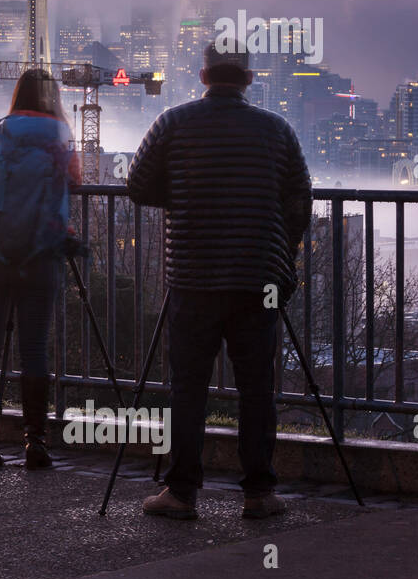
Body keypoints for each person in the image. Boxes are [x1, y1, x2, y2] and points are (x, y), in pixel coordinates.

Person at [128, 40, 312, 520]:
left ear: (204, 76)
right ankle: (259, 493)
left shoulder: (173, 122)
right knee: (257, 388)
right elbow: (299, 200)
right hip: (258, 276)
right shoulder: (277, 131)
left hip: (194, 276)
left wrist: (187, 194)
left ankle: (182, 492)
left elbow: (138, 185)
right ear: (248, 79)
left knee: (188, 387)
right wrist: (281, 248)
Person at [0, 68, 80, 471]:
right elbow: (76, 180)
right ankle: (36, 444)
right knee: (33, 350)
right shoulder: (61, 136)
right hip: (40, 255)